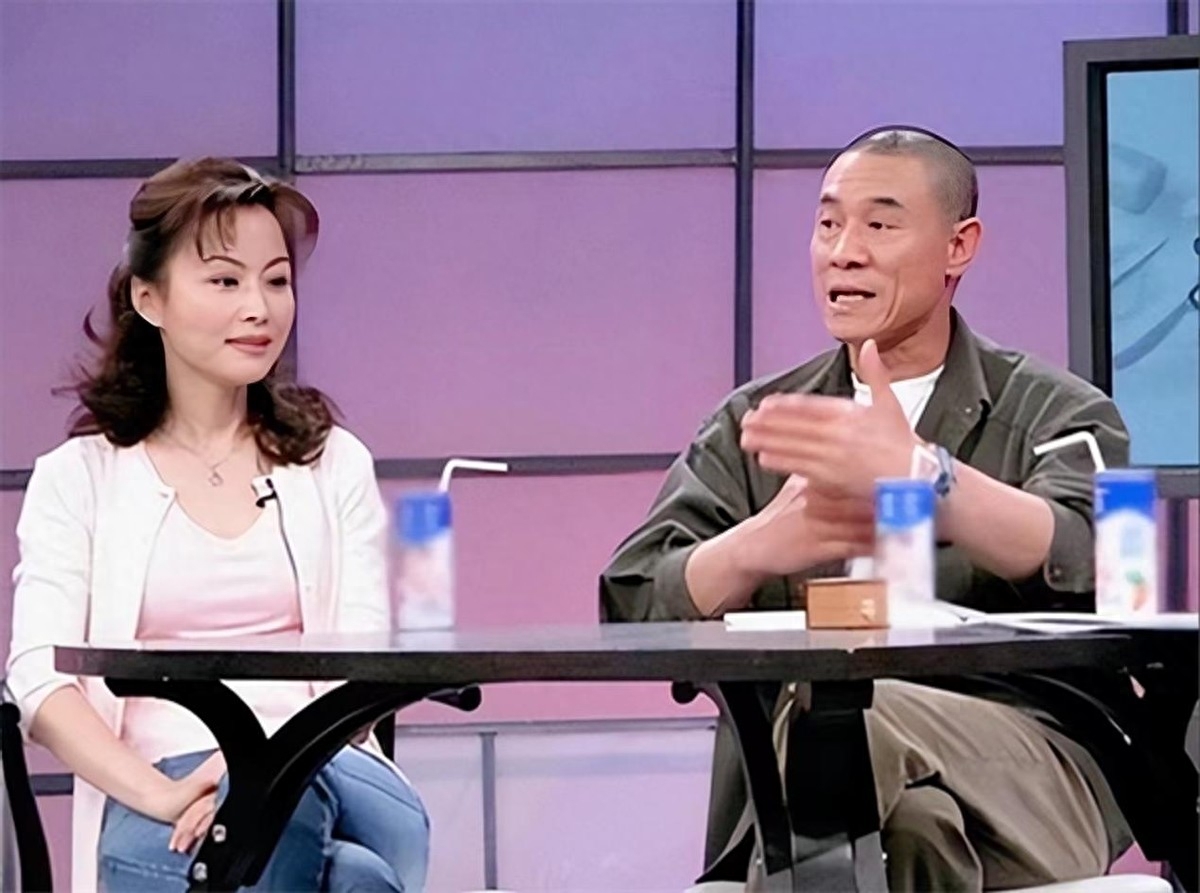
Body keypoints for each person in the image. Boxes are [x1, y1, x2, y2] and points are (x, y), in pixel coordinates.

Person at [599, 128, 1181, 891]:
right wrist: (759, 544)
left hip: (1033, 775)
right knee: (912, 830)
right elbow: (633, 598)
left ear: (959, 246)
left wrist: (922, 474)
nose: (844, 251)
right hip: (821, 794)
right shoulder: (761, 422)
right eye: (828, 223)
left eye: (879, 224)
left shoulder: (1058, 411)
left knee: (854, 717)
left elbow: (1092, 545)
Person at [6, 159, 429, 892]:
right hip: (162, 786)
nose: (259, 307)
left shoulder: (334, 464)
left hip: (329, 763)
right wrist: (161, 793)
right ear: (149, 298)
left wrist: (252, 768)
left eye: (276, 280)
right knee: (355, 878)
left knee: (279, 802)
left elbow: (361, 667)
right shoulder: (79, 479)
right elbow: (41, 683)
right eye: (226, 281)